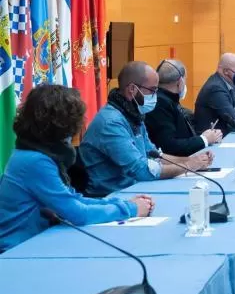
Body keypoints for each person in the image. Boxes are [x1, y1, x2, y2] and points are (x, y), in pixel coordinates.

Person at [0, 85, 154, 252]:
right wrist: (131, 209)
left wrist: (122, 203)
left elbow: (72, 199)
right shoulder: (36, 161)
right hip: (17, 250)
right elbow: (77, 213)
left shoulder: (31, 152)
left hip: (32, 243)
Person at [81, 61, 213, 197]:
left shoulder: (133, 115)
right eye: (153, 90)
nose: (156, 95)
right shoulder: (111, 123)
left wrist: (191, 160)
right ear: (132, 89)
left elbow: (154, 156)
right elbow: (141, 170)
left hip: (135, 189)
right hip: (111, 196)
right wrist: (189, 166)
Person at [145, 59, 223, 156]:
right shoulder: (162, 103)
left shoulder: (168, 99)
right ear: (180, 81)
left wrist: (206, 136)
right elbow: (169, 146)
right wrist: (204, 139)